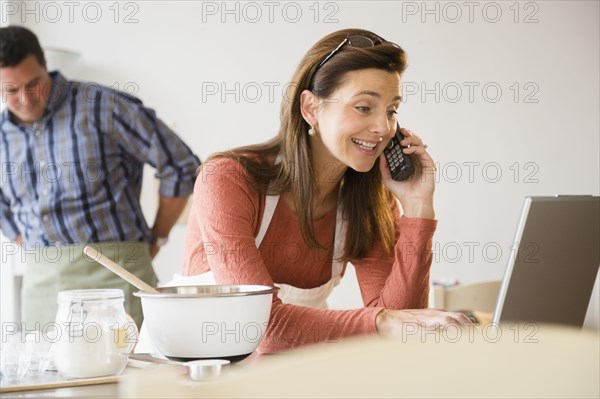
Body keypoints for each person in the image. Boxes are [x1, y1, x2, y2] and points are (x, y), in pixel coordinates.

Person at [181, 28, 471, 354]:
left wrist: (418, 209)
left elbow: (405, 328)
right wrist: (382, 322)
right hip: (198, 377)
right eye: (364, 107)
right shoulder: (226, 179)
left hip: (290, 375)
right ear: (311, 108)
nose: (383, 128)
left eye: (392, 110)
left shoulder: (368, 201)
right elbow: (258, 326)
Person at [0, 26, 201, 329]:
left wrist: (158, 236)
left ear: (46, 68)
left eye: (33, 85)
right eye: (11, 91)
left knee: (134, 375)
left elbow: (180, 164)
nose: (26, 100)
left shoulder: (103, 107)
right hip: (42, 288)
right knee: (44, 375)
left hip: (118, 276)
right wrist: (19, 236)